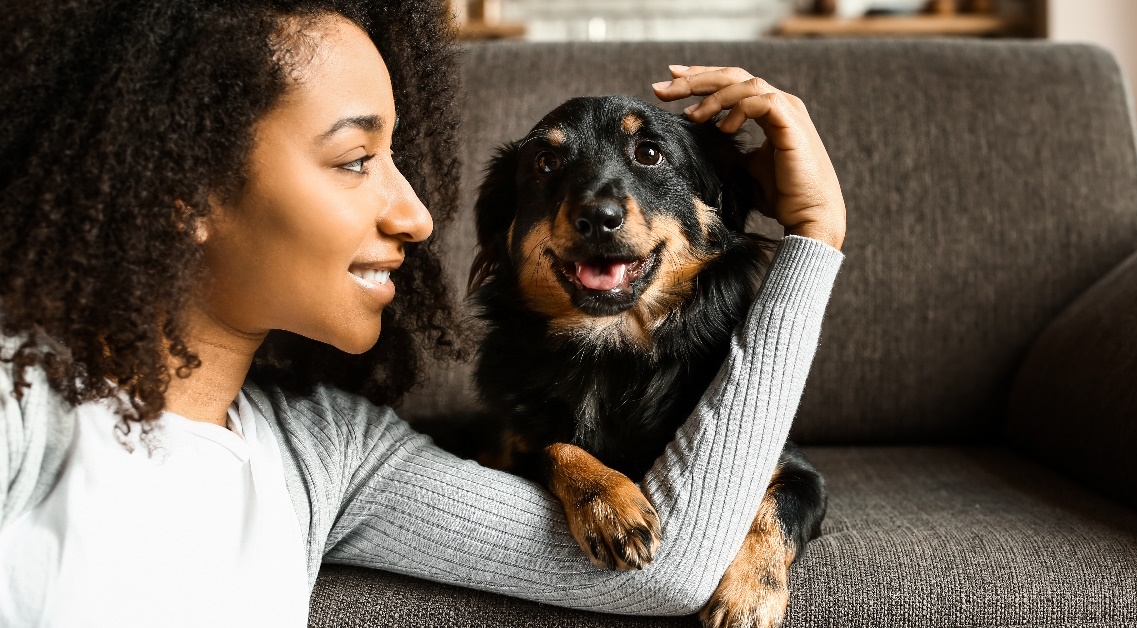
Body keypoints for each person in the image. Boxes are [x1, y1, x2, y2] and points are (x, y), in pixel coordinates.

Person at [0, 1, 846, 626]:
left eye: (397, 157)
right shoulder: (22, 404)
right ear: (186, 185)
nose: (416, 216)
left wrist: (814, 238)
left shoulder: (328, 455)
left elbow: (668, 568)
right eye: (357, 159)